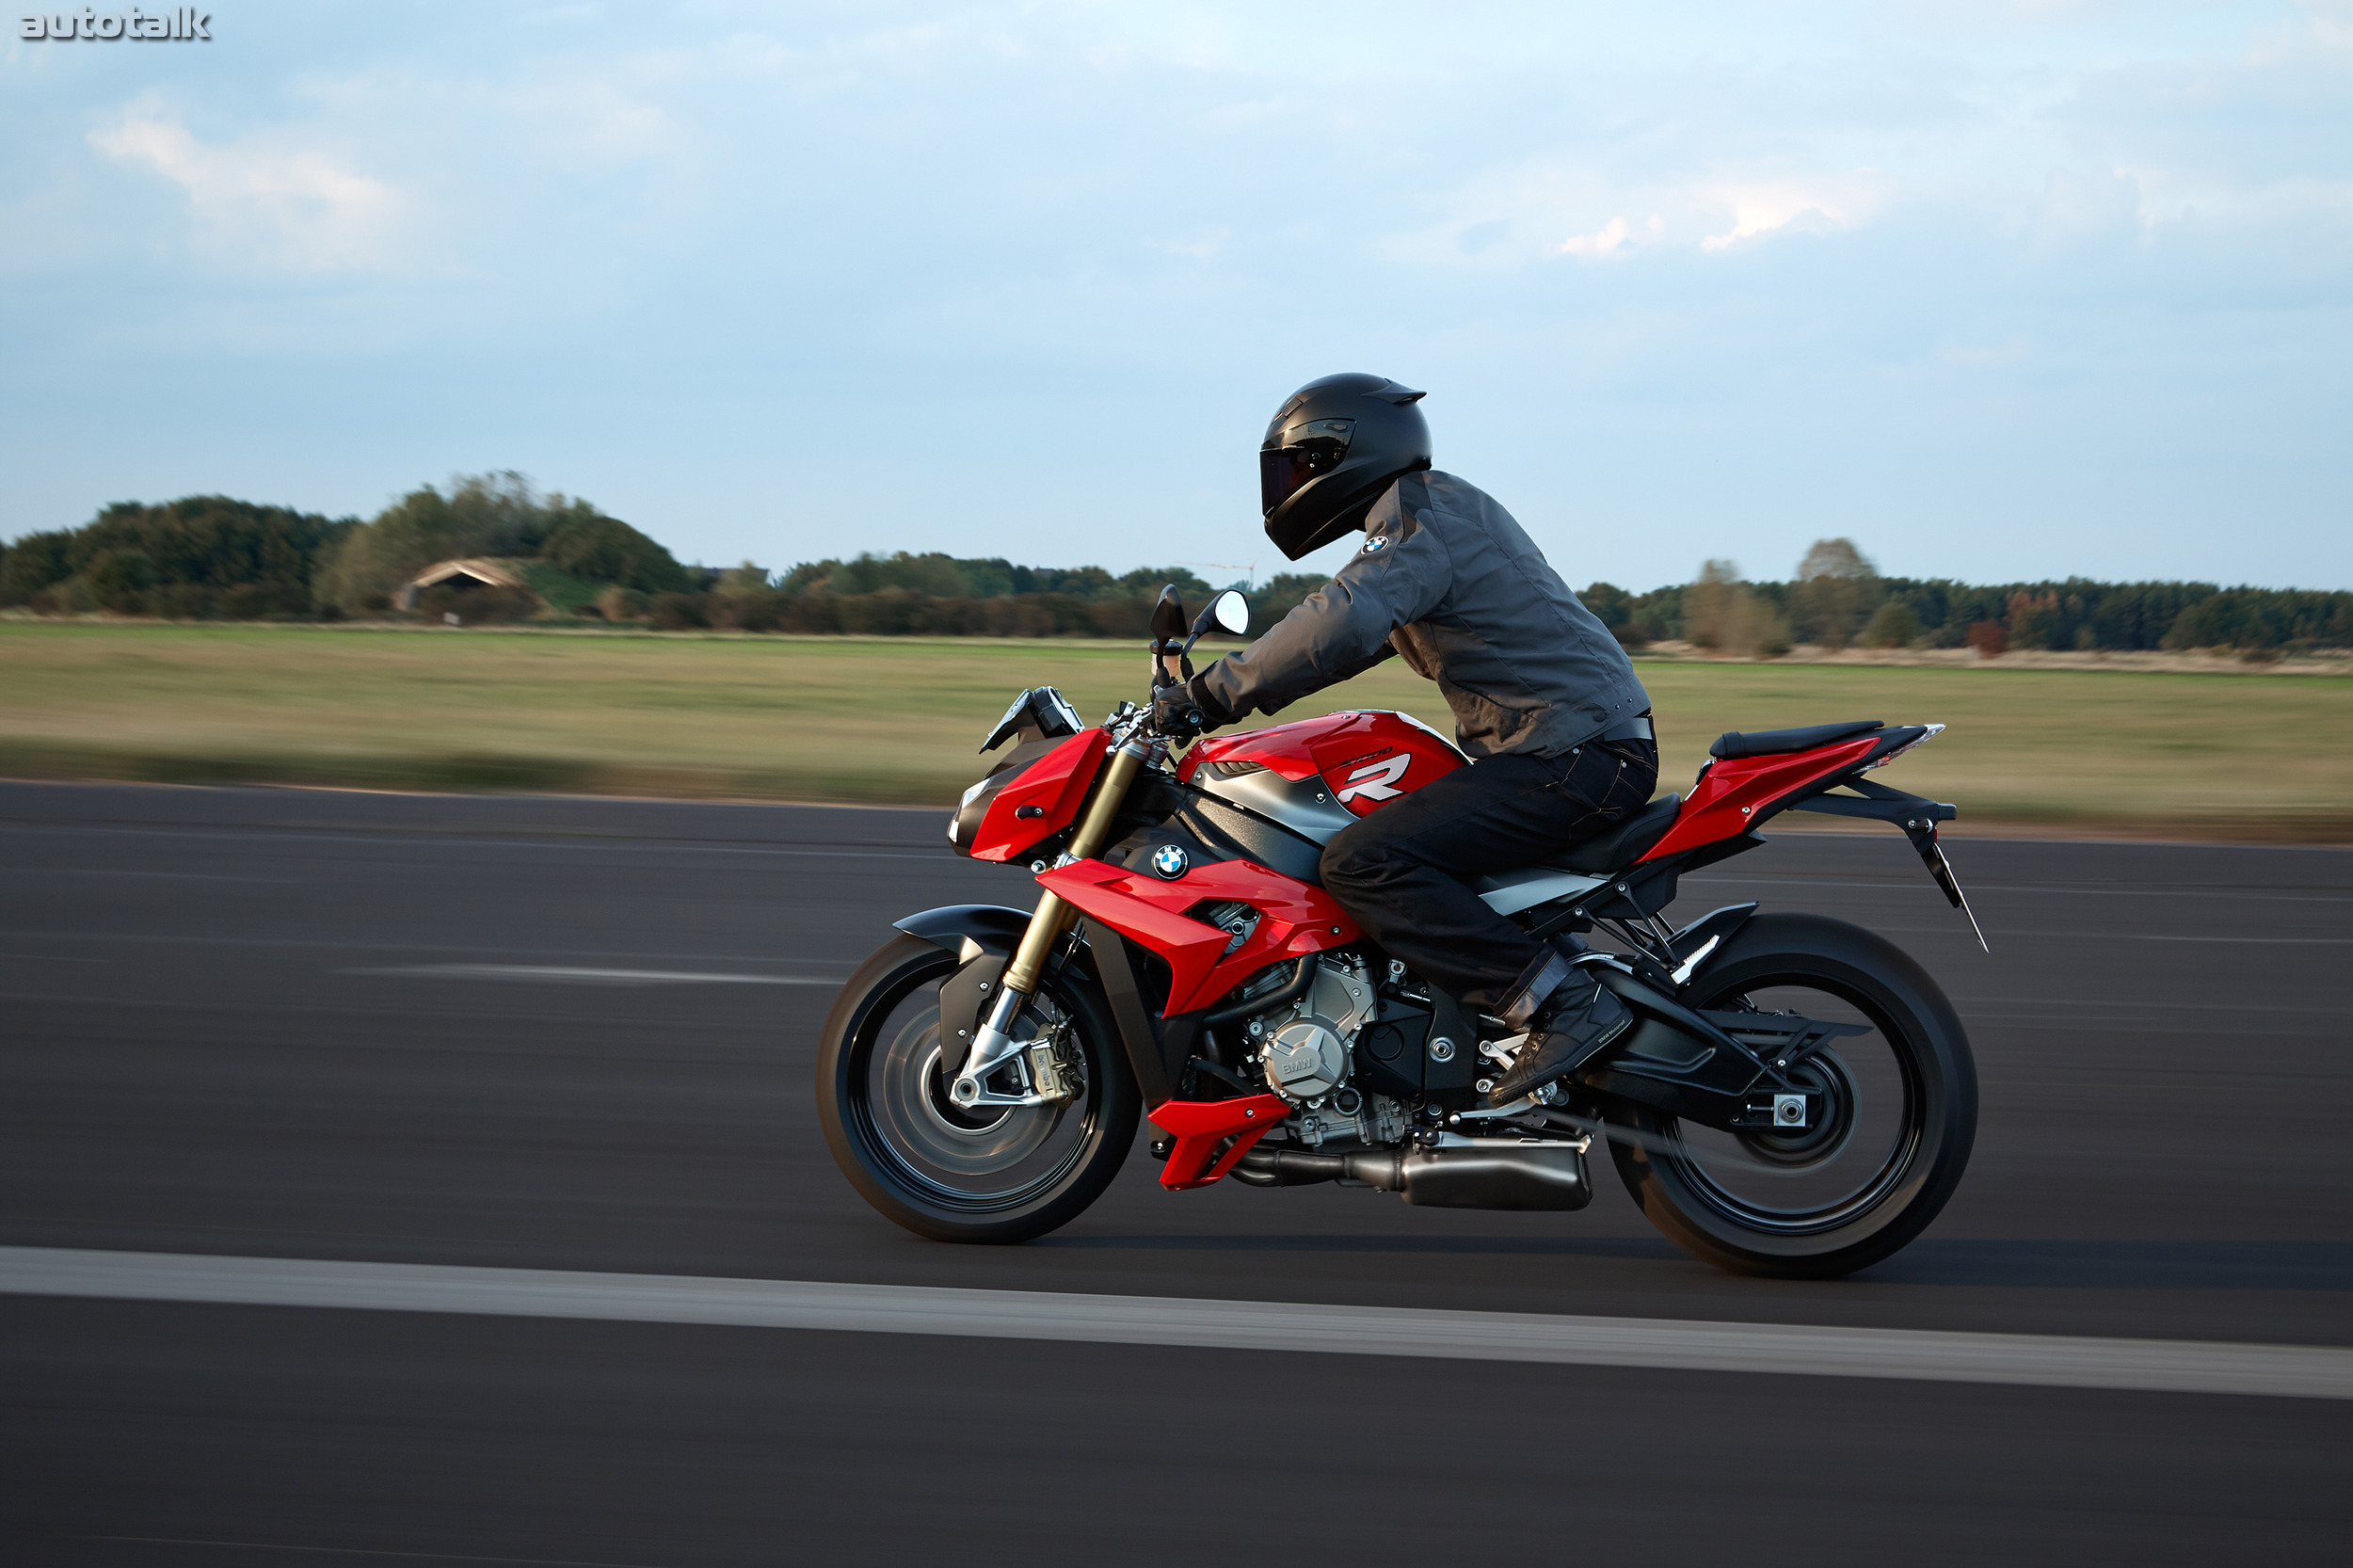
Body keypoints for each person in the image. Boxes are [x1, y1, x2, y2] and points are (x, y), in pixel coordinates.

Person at [1152, 373, 1658, 1108]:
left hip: (1574, 757)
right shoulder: (1427, 517)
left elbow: (1341, 622)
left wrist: (1209, 696)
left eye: (1297, 466)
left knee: (1365, 861)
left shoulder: (1422, 525)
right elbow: (1341, 630)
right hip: (1569, 749)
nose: (1289, 483)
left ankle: (1562, 1004)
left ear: (1345, 454)